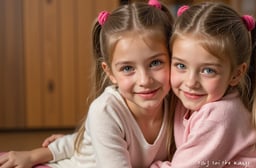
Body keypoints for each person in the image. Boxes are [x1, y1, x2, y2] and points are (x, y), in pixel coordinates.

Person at [0, 0, 174, 167]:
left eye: (155, 63)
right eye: (128, 68)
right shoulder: (105, 110)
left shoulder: (176, 103)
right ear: (110, 73)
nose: (144, 81)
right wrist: (33, 156)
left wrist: (42, 152)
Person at [151, 2, 256, 168]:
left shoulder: (219, 116)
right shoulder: (188, 101)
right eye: (181, 66)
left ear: (236, 74)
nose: (191, 82)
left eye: (208, 70)